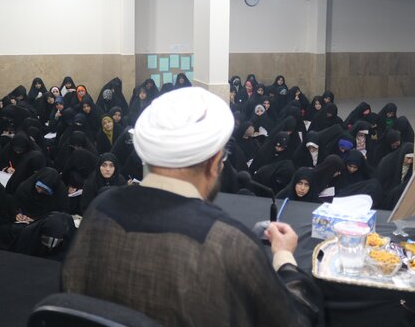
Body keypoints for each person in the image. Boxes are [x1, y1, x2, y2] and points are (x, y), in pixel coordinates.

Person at [62, 87, 323, 327]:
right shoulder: (230, 243)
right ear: (214, 162)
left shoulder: (99, 211)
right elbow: (296, 320)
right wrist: (284, 257)